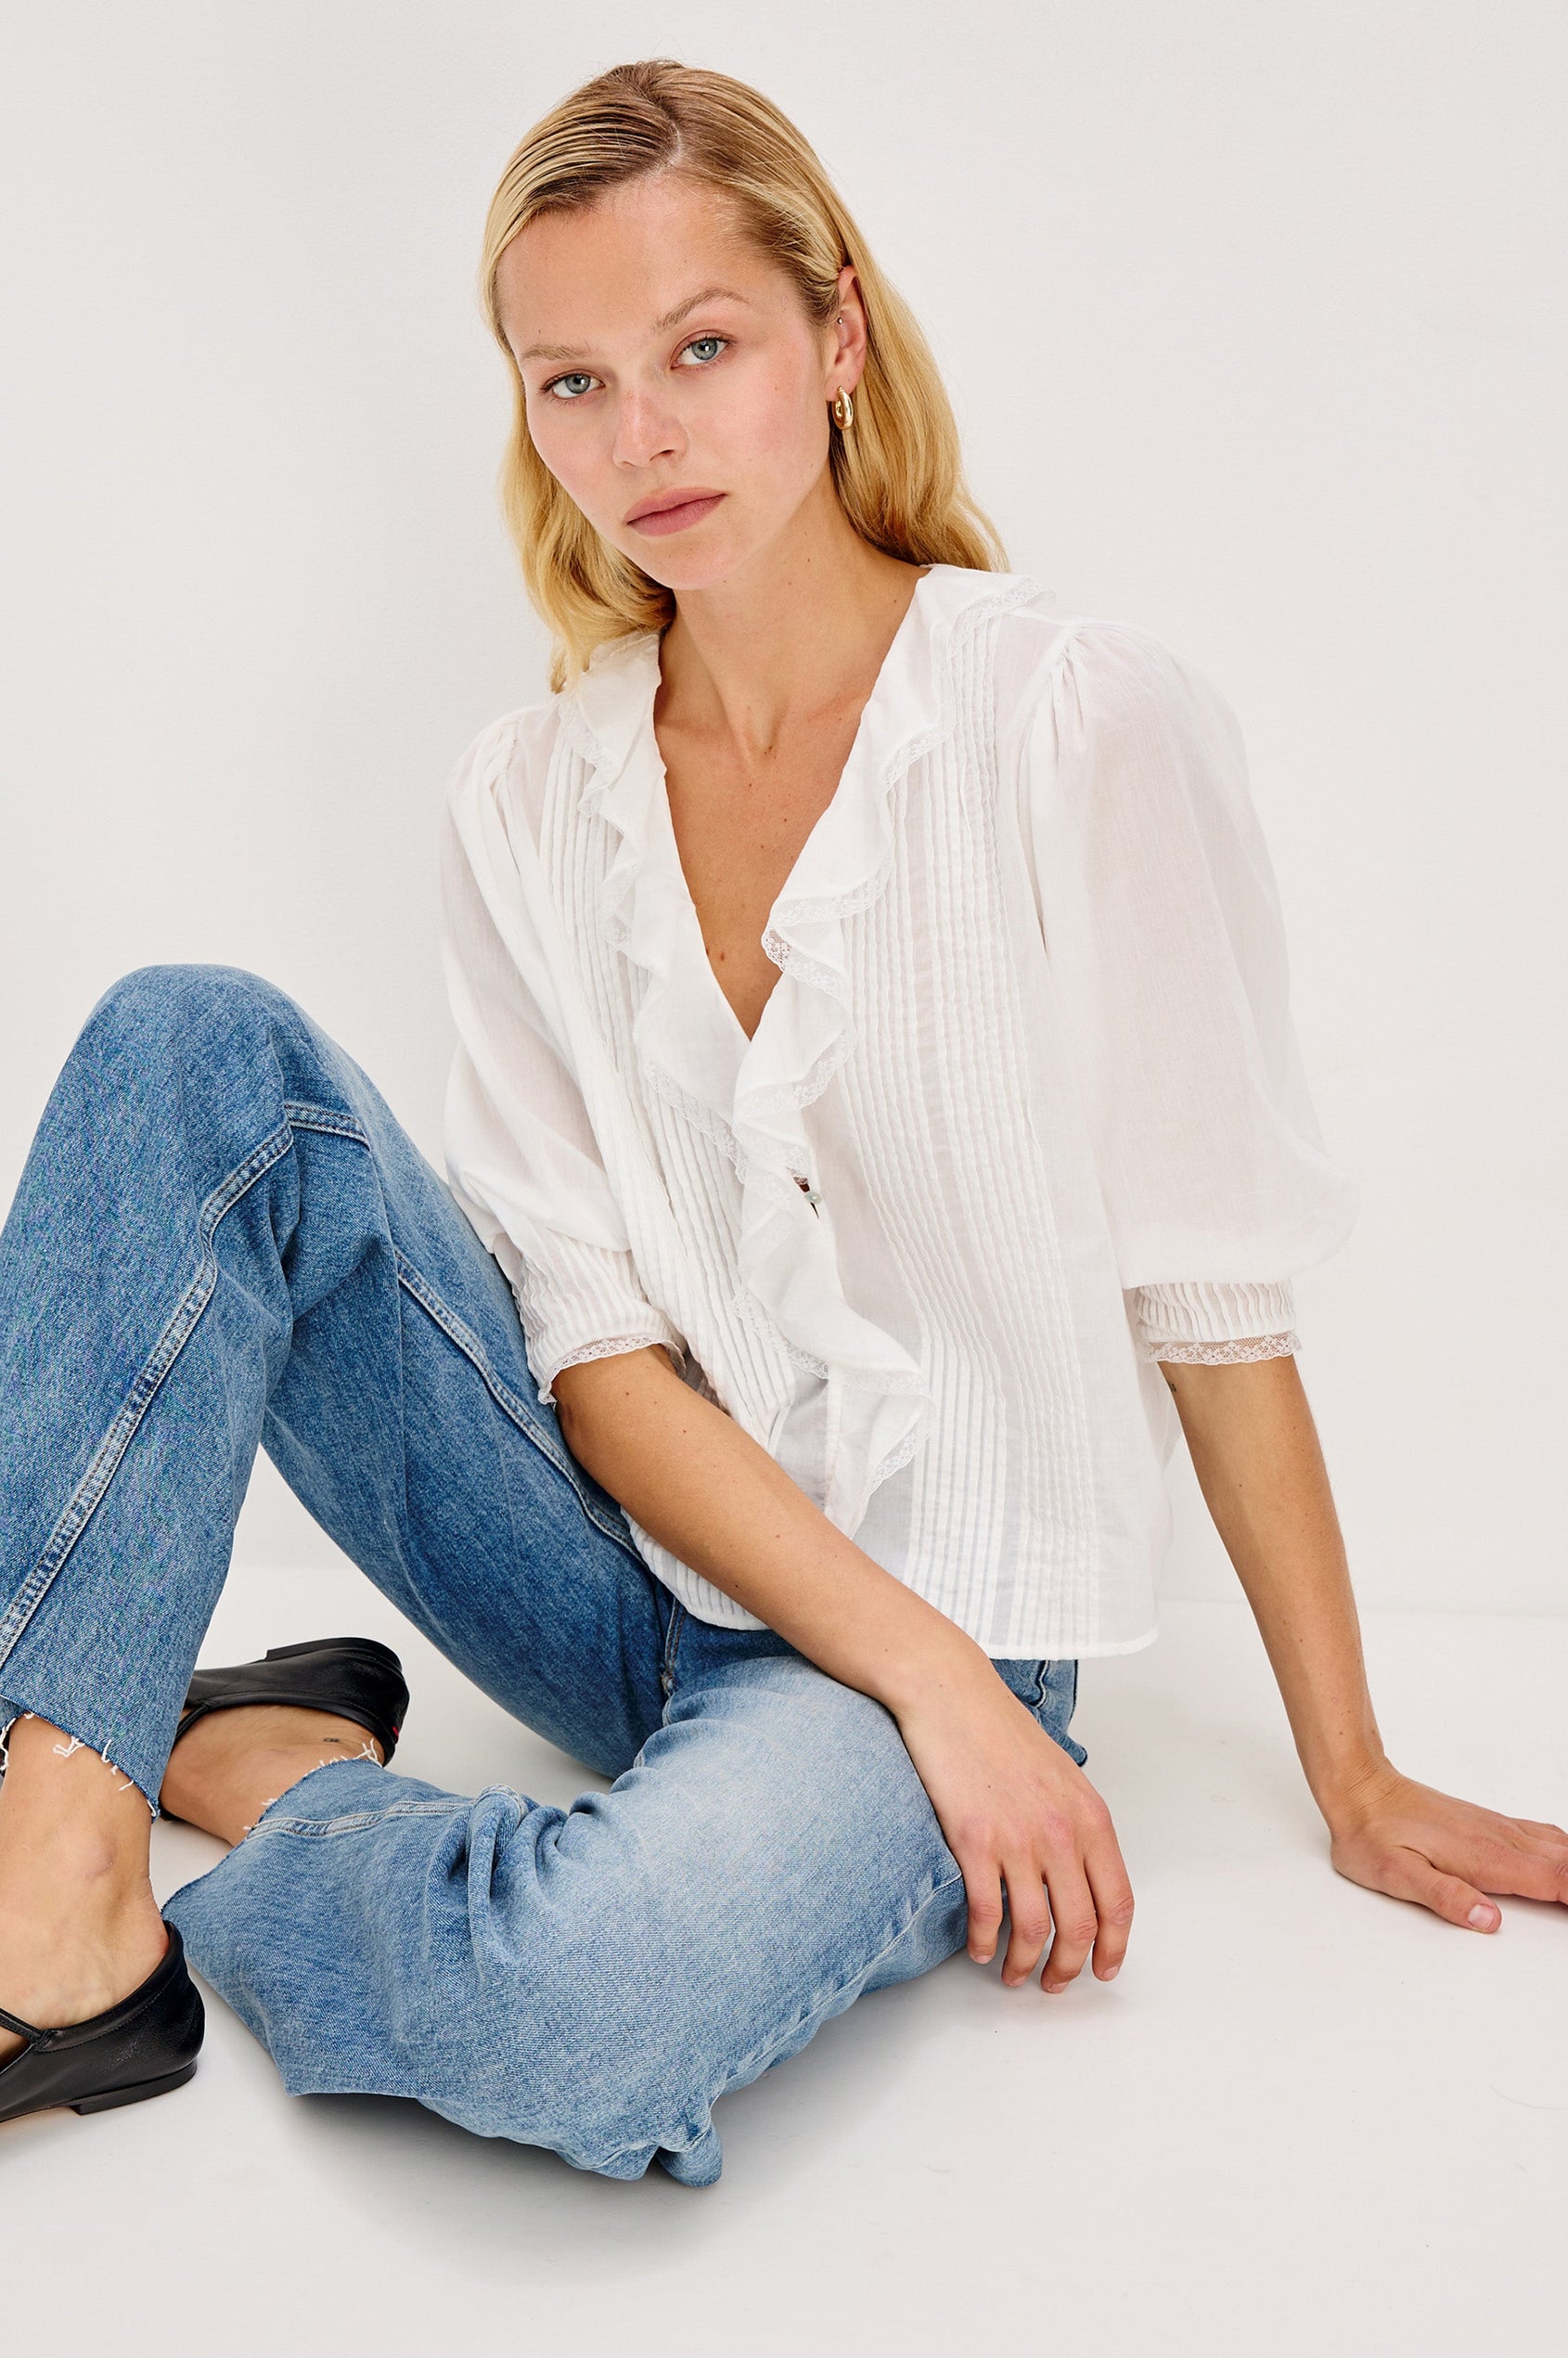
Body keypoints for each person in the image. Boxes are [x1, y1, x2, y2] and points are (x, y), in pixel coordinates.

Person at [1, 58, 1562, 2182]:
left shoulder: (1069, 720)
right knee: (194, 1041)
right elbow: (592, 1351)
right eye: (568, 381)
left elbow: (1208, 1292)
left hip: (932, 1631)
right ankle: (53, 1866)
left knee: (572, 2018)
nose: (631, 438)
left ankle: (267, 1771)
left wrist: (1338, 1764)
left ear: (834, 336)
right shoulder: (529, 796)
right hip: (600, 1550)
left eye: (698, 349)